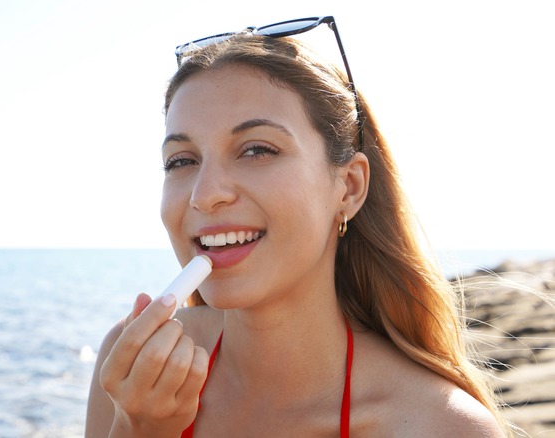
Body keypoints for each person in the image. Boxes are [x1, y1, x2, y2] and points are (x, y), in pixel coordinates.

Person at [86, 16, 509, 437]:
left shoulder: (439, 427)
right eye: (181, 160)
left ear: (349, 186)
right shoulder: (131, 374)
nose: (204, 193)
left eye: (256, 150)